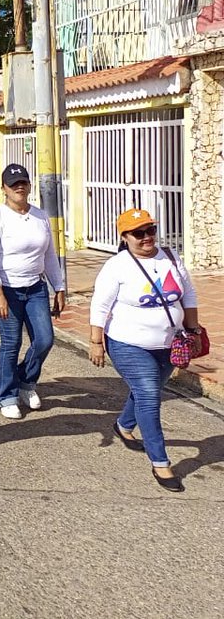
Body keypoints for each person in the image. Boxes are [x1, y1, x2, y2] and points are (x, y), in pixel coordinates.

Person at [90, 209, 202, 492]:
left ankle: (123, 425)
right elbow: (100, 306)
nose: (146, 237)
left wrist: (194, 329)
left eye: (150, 230)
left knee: (146, 392)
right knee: (150, 397)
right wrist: (96, 342)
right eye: (138, 233)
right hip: (127, 343)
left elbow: (188, 294)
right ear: (125, 237)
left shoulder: (171, 257)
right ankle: (161, 463)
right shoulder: (117, 266)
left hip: (168, 343)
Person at [0, 164, 66, 419]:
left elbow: (49, 256)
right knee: (11, 342)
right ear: (4, 189)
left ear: (29, 186)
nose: (19, 187)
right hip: (6, 289)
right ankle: (6, 395)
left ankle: (26, 383)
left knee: (44, 339)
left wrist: (59, 287)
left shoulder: (40, 216)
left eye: (23, 182)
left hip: (35, 287)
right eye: (13, 184)